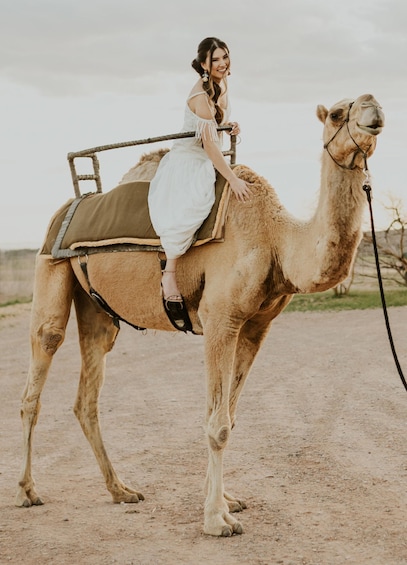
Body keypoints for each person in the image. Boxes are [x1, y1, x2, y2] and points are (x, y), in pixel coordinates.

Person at [148, 37, 251, 330]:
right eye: (216, 60)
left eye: (225, 57)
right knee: (194, 204)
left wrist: (228, 125)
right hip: (190, 159)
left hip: (207, 154)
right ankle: (170, 273)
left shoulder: (223, 86)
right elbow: (209, 147)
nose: (222, 64)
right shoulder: (199, 97)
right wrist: (232, 178)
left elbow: (215, 127)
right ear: (204, 65)